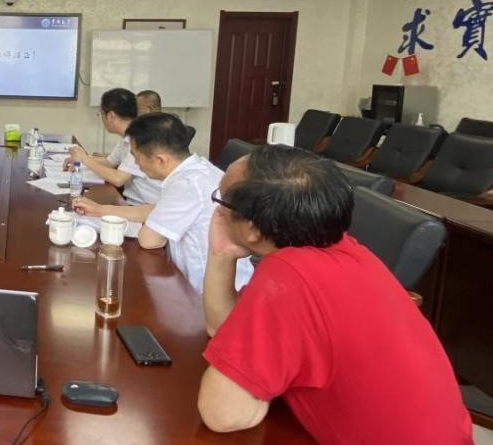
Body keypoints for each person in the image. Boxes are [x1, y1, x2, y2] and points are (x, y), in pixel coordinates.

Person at [198, 145, 471, 443]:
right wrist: (221, 253)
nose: (218, 212)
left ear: (253, 228)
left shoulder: (288, 277)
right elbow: (222, 327)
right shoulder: (341, 248)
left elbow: (223, 415)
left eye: (221, 200)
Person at [72, 113, 253, 294]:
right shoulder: (197, 169)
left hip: (207, 294)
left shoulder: (187, 184)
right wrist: (100, 210)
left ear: (160, 160)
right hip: (209, 283)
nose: (136, 164)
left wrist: (122, 220)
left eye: (137, 157)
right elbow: (157, 210)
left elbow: (149, 240)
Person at [64, 88, 161, 205]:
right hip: (133, 202)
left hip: (144, 206)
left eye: (101, 114)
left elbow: (118, 179)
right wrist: (81, 159)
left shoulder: (140, 138)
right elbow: (109, 162)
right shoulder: (128, 136)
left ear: (110, 116)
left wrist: (84, 158)